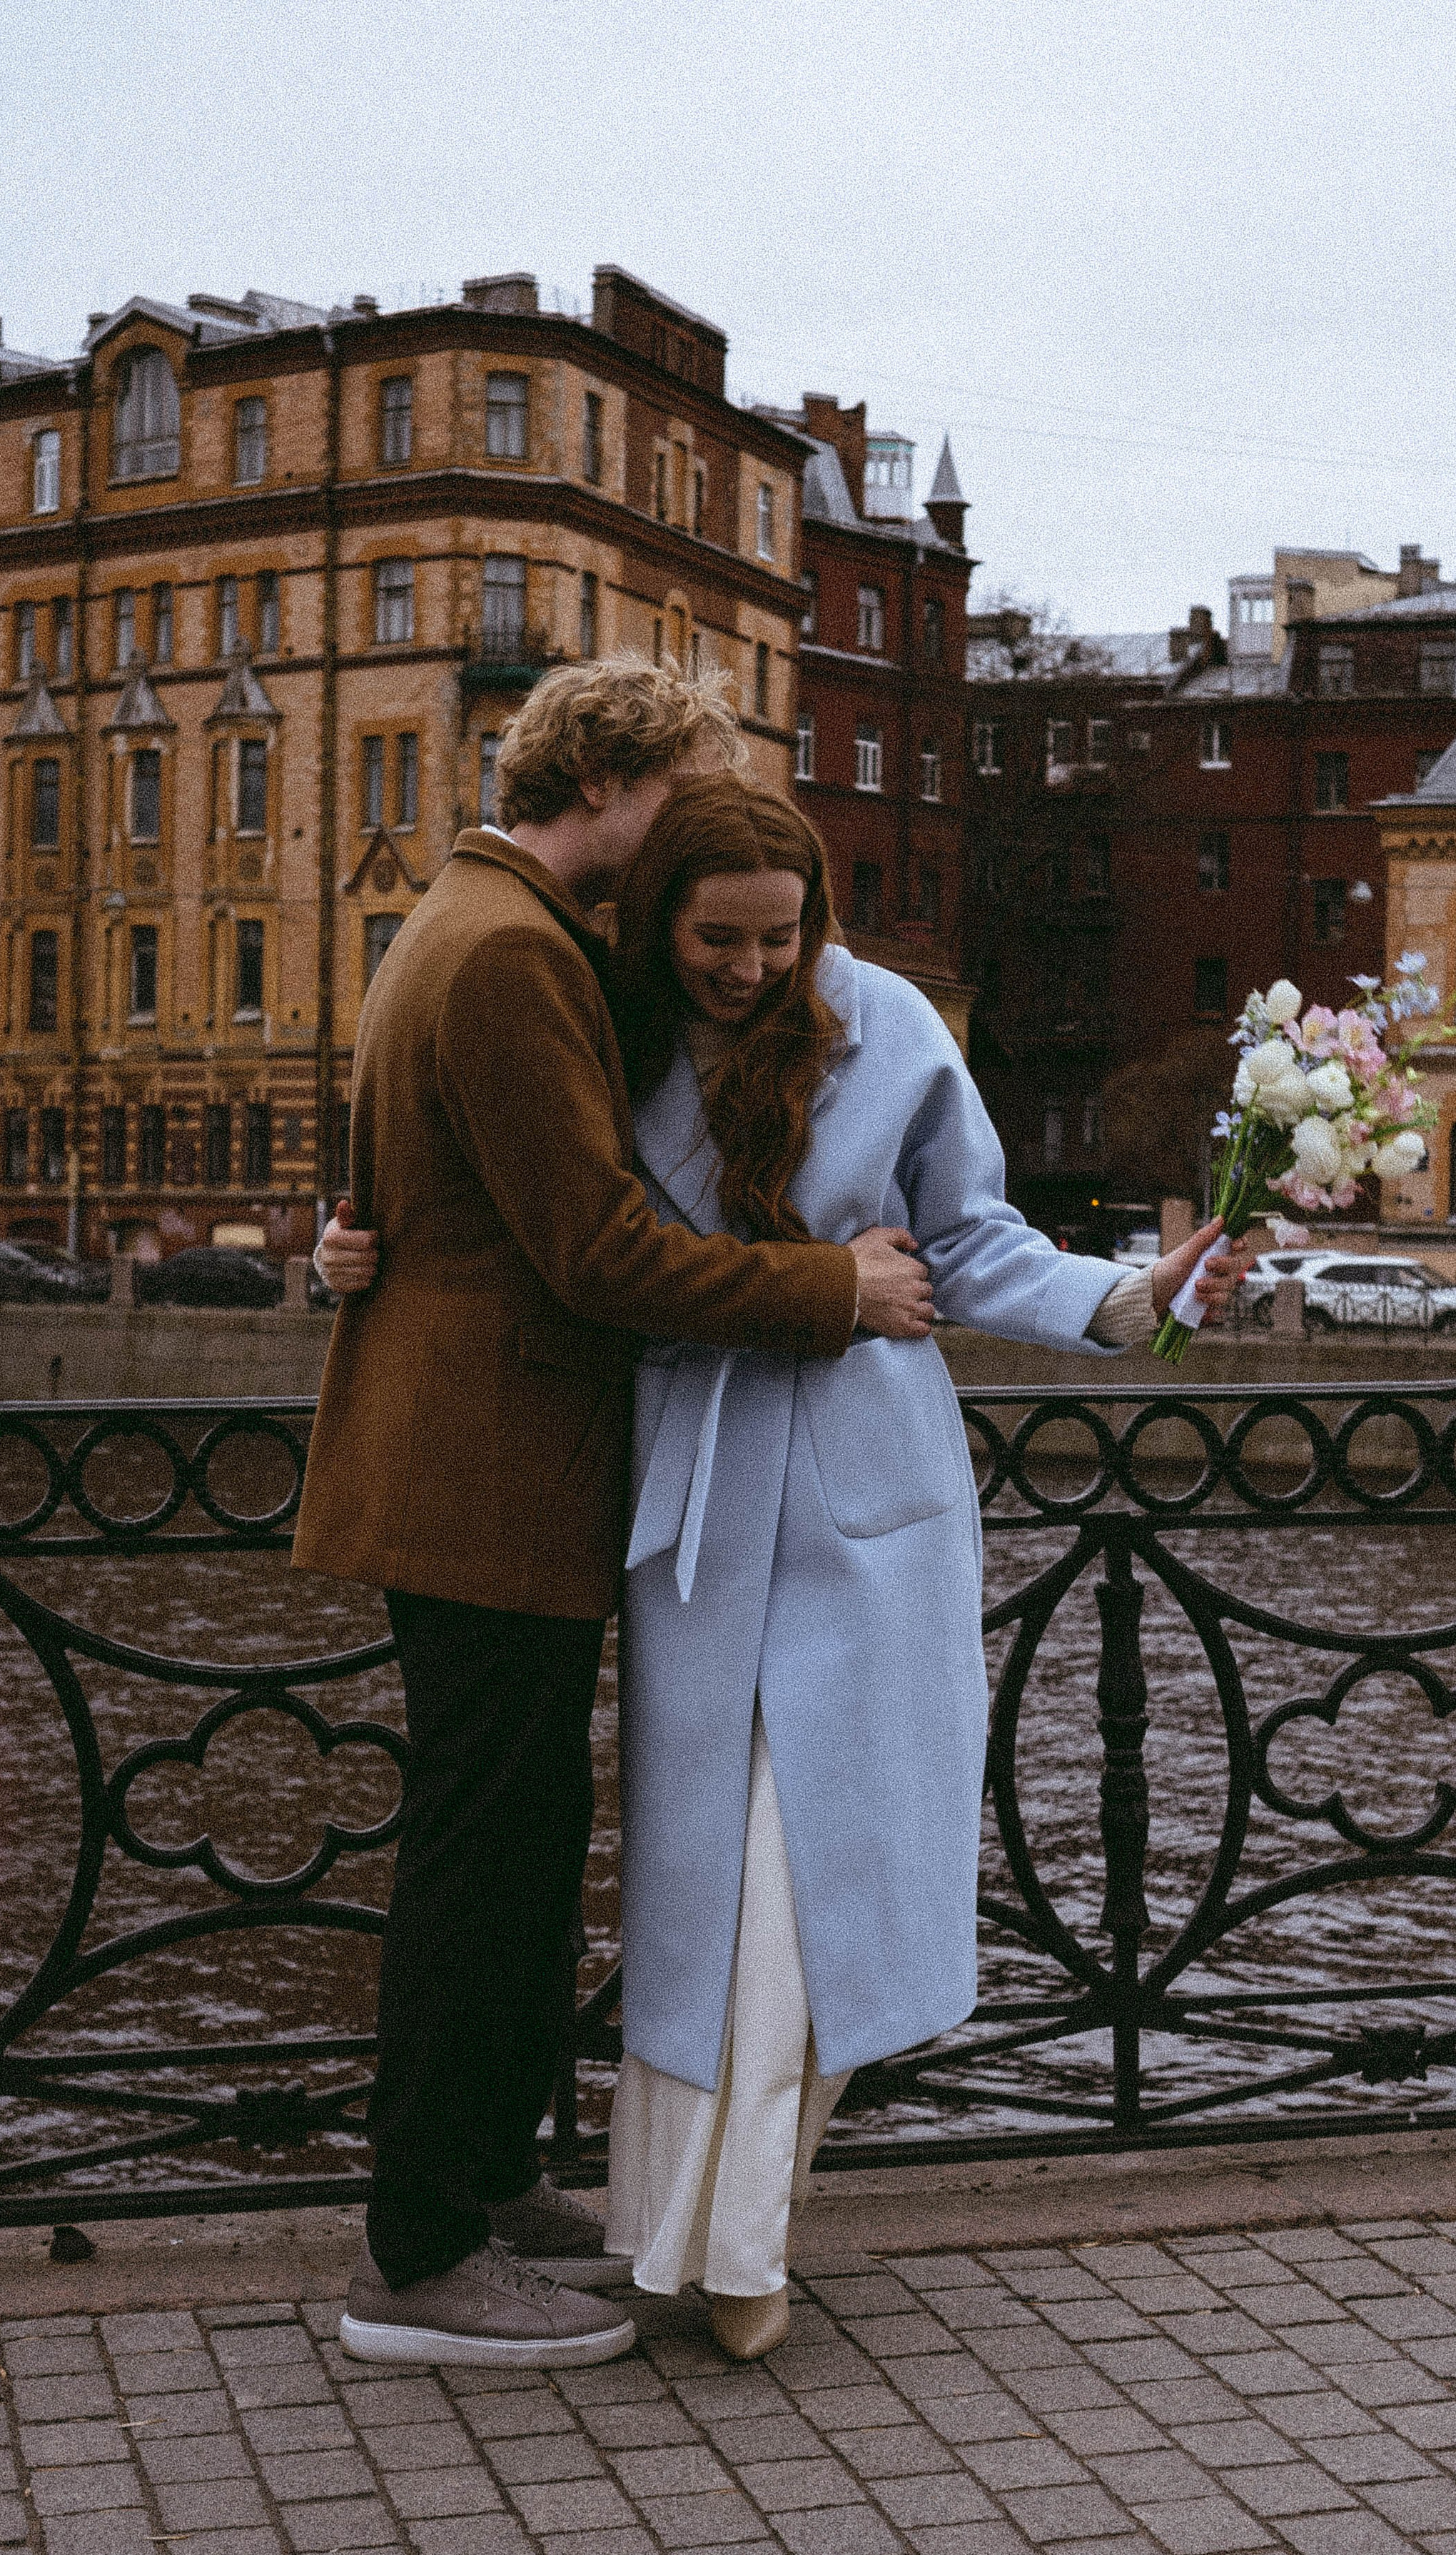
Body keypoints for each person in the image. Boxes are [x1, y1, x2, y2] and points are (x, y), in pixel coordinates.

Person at [318, 775, 1248, 2364]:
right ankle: (680, 2229)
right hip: (683, 1494)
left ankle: (733, 2230)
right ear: (656, 920)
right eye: (714, 939)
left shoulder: (885, 1023)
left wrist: (1120, 1299)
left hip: (860, 1491)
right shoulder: (603, 1014)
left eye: (781, 936)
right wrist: (353, 1235)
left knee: (812, 1874)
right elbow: (531, 1201)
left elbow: (968, 1238)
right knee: (709, 1883)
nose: (750, 970)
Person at [293, 660, 934, 2372]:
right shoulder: (508, 954)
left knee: (508, 1849)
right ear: (618, 781)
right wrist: (832, 1287)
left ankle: (489, 2190)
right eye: (686, 800)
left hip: (480, 1469)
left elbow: (405, 1186)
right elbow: (590, 1250)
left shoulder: (472, 920)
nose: (691, 861)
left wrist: (342, 1240)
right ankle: (419, 2257)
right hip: (485, 1473)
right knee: (477, 1867)